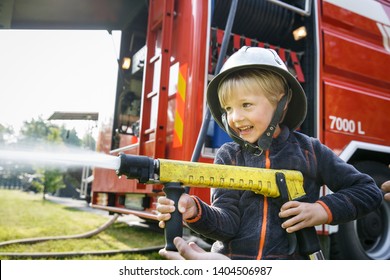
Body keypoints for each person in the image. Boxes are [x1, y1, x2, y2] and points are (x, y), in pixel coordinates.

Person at [157, 46, 383, 260]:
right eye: (228, 108)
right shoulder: (229, 155)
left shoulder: (310, 151)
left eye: (246, 105)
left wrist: (322, 210)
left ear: (282, 104)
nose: (235, 117)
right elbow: (227, 225)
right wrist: (195, 210)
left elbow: (368, 190)